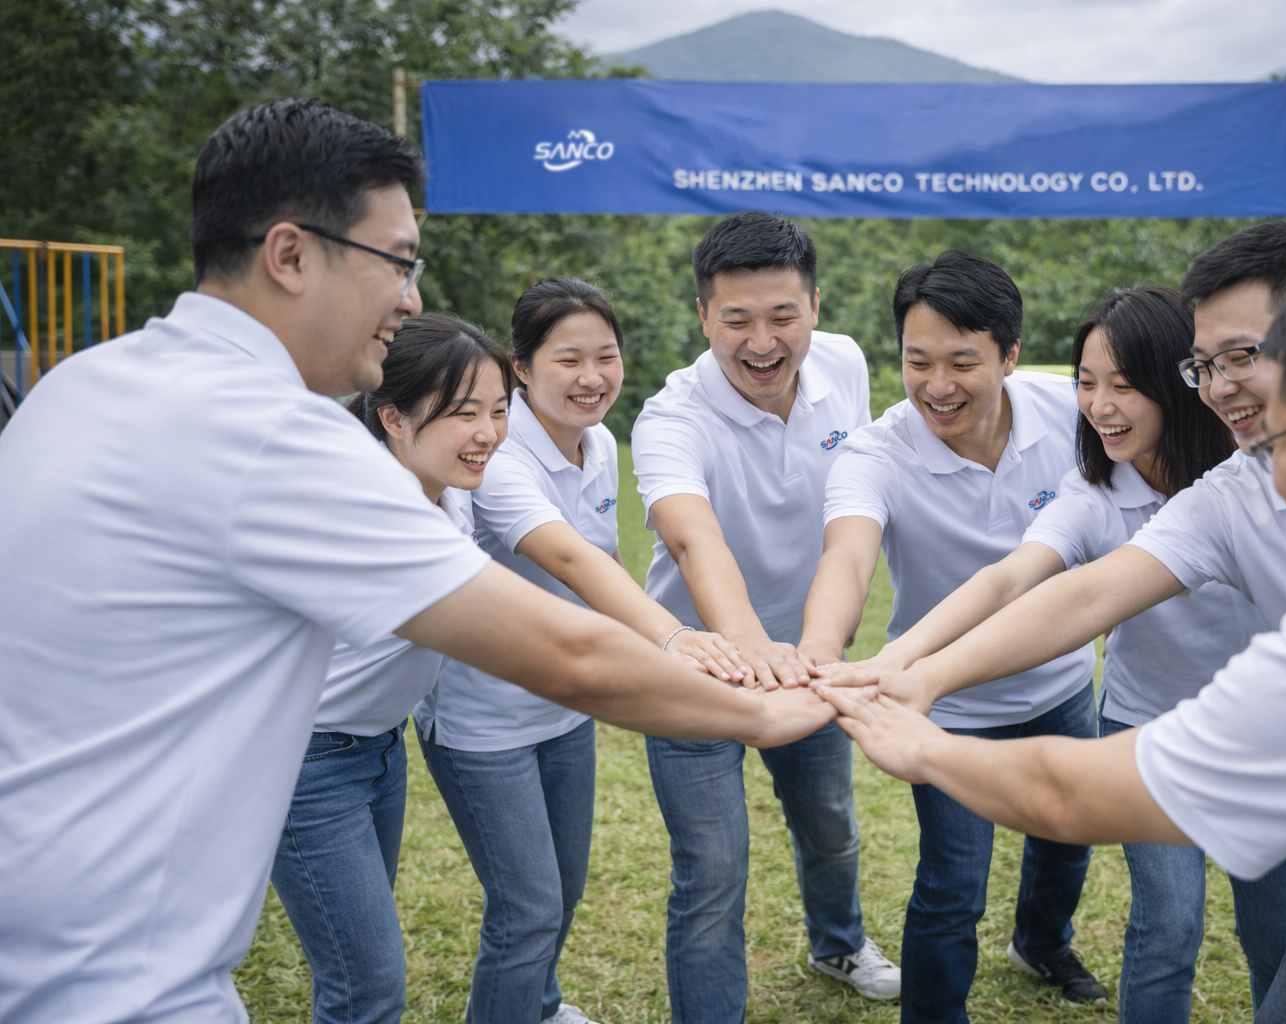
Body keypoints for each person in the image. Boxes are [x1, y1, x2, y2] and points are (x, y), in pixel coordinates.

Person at [0, 99, 840, 1024]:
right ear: (290, 255)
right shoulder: (273, 437)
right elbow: (569, 654)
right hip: (107, 981)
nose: (410, 298)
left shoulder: (82, 381)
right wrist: (770, 711)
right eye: (398, 262)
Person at [818, 252, 1286, 1024]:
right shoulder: (1233, 494)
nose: (1277, 484)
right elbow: (1078, 590)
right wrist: (914, 673)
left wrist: (922, 742)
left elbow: (1070, 794)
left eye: (1248, 364)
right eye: (1205, 365)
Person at [830, 221, 1286, 1010]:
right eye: (1086, 381)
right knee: (1166, 927)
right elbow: (1042, 587)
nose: (1101, 406)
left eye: (1125, 384)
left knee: (1282, 936)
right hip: (1147, 728)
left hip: (1280, 740)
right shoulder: (1155, 495)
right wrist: (907, 670)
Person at [415, 277, 745, 1024]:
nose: (592, 377)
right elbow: (570, 559)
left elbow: (603, 559)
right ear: (522, 368)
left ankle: (537, 1002)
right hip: (483, 722)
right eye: (569, 359)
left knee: (561, 890)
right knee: (526, 908)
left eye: (606, 356)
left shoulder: (598, 442)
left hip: (566, 708)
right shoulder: (498, 456)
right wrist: (672, 636)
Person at [797, 249, 1108, 1014]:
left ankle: (1041, 943)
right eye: (917, 361)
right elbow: (847, 554)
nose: (938, 386)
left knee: (1067, 844)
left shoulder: (1073, 412)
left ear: (1008, 354)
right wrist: (819, 653)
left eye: (963, 362)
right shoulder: (876, 452)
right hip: (948, 704)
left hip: (1060, 683)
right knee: (951, 888)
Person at [630, 211, 899, 1023]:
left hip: (809, 657)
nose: (762, 341)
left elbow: (854, 510)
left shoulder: (845, 364)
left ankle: (838, 942)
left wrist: (804, 654)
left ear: (815, 306)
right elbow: (692, 538)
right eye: (737, 319)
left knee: (831, 828)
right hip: (700, 675)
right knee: (712, 870)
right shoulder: (669, 417)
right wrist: (751, 652)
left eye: (783, 316)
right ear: (704, 316)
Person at [269, 312, 511, 1024]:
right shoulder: (380, 512)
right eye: (464, 412)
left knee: (359, 977)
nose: (488, 433)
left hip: (377, 748)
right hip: (307, 764)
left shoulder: (446, 487)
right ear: (393, 417)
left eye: (499, 410)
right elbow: (558, 654)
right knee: (365, 987)